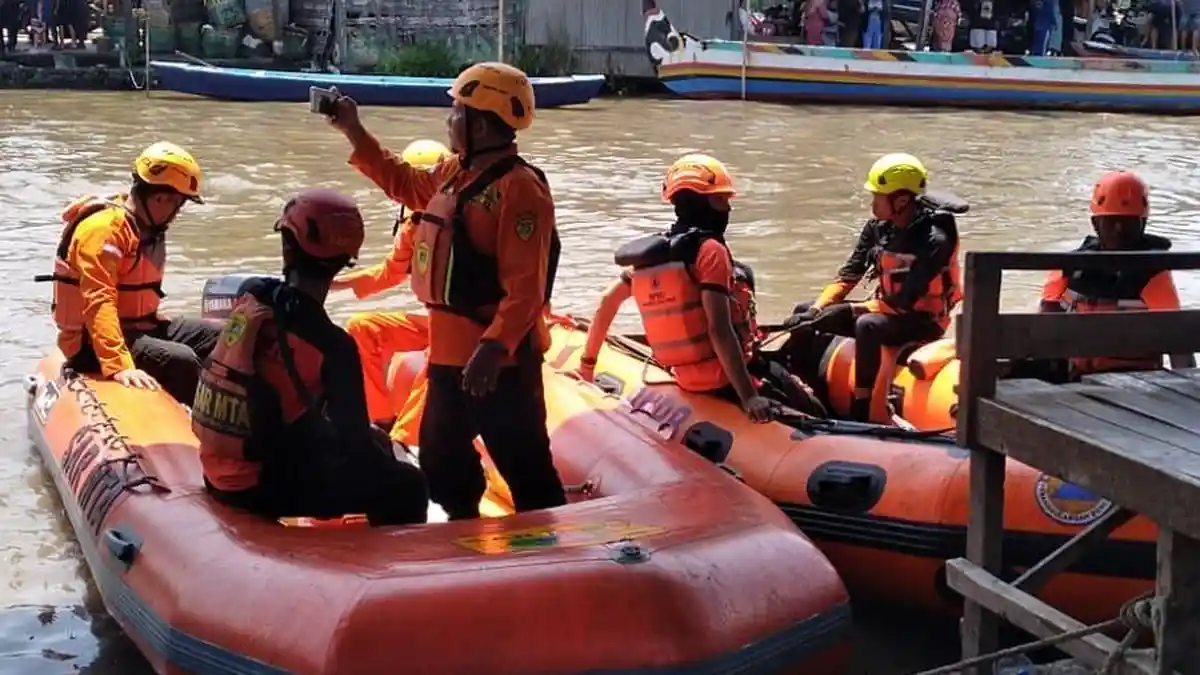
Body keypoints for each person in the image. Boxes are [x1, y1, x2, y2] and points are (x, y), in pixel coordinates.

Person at [326, 62, 567, 521]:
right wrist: (353, 130)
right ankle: (466, 528)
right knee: (439, 458)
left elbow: (526, 287)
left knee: (527, 465)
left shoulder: (521, 189)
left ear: (479, 122)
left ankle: (562, 553)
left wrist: (493, 350)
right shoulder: (454, 171)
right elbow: (403, 182)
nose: (449, 120)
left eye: (456, 112)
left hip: (501, 363)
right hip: (449, 356)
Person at [192, 189, 429, 526]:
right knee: (408, 485)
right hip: (262, 486)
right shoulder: (334, 347)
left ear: (287, 245)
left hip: (217, 471)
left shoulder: (251, 297)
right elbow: (357, 450)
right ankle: (384, 568)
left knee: (374, 440)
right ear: (348, 256)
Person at [576, 154, 824, 423]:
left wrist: (587, 366)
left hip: (686, 377)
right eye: (721, 200)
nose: (727, 208)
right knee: (816, 411)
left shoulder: (652, 257)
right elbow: (719, 329)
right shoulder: (710, 251)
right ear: (703, 202)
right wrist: (749, 396)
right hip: (725, 378)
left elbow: (606, 302)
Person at [36, 142, 221, 406]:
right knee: (181, 361)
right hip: (90, 344)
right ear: (160, 198)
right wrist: (119, 365)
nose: (176, 214)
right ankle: (204, 434)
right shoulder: (103, 230)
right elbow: (98, 299)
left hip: (138, 327)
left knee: (222, 337)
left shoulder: (143, 225)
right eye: (177, 205)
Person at [785, 153, 961, 422]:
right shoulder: (878, 229)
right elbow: (848, 276)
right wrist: (819, 310)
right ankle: (797, 389)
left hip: (922, 321)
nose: (872, 203)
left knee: (867, 326)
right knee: (804, 310)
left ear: (901, 201)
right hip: (886, 310)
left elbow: (905, 299)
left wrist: (849, 311)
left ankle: (861, 406)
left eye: (878, 197)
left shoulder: (935, 239)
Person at [332, 138, 451, 434]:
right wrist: (332, 283)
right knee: (362, 328)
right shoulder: (413, 225)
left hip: (469, 330)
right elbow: (391, 272)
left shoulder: (464, 226)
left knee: (438, 354)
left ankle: (406, 440)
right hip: (438, 324)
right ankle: (381, 421)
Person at [1038, 170, 1184, 377]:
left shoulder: (1154, 273)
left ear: (1142, 224)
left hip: (1137, 379)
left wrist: (1190, 388)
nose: (1119, 230)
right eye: (1111, 221)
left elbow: (1177, 340)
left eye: (1127, 222)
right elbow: (1041, 329)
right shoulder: (1069, 267)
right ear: (1095, 224)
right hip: (1075, 376)